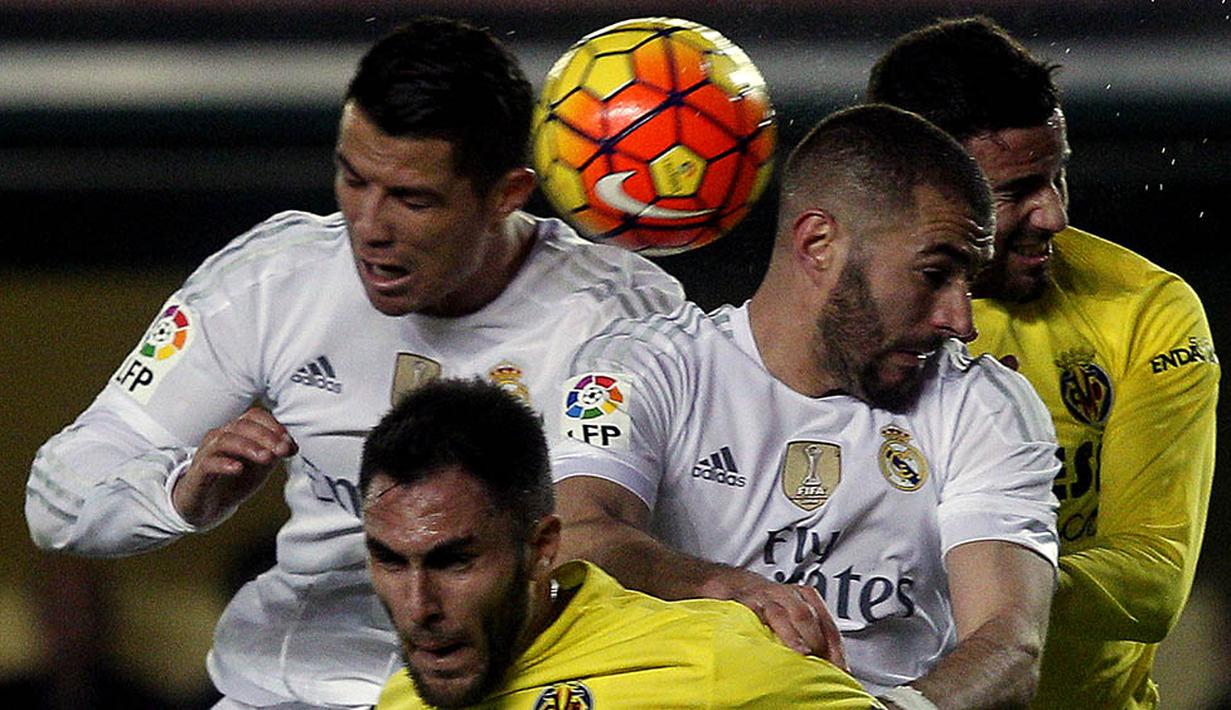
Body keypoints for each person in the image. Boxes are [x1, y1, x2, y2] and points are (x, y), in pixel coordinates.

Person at [25, 16, 683, 709]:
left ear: (504, 197)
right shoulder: (273, 279)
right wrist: (176, 494)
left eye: (411, 198)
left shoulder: (616, 318)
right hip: (291, 691)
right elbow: (58, 495)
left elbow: (636, 542)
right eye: (353, 180)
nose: (369, 228)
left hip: (515, 693)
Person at [550, 103, 1061, 708]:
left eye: (968, 282)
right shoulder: (640, 368)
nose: (962, 321)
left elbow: (1009, 645)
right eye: (934, 274)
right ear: (818, 243)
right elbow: (575, 537)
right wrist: (718, 587)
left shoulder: (984, 407)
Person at [865, 17, 1220, 710]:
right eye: (1014, 191)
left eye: (1056, 176)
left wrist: (995, 574)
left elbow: (1155, 579)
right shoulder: (842, 317)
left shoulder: (1143, 310)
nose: (1052, 214)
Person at [360, 377, 882, 710]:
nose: (416, 606)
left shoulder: (709, 662)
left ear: (542, 548)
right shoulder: (404, 699)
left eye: (455, 562)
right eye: (389, 560)